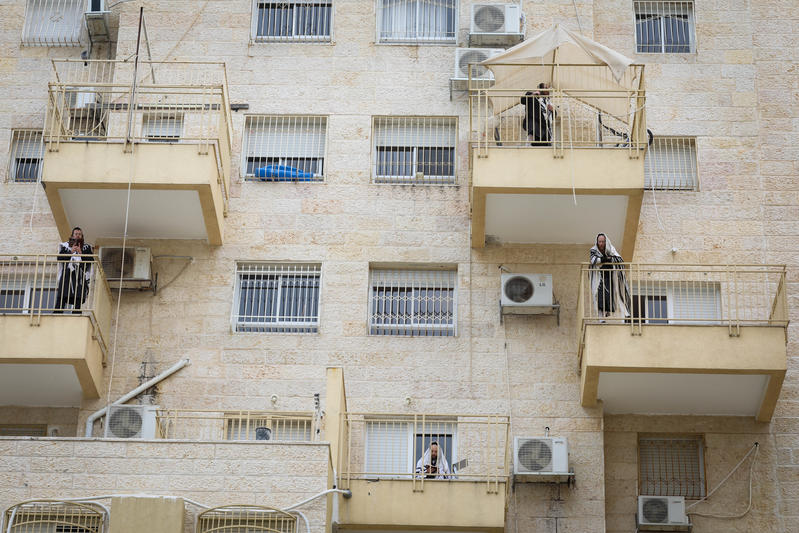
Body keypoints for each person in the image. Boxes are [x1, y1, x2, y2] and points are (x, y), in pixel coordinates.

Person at [589, 233, 630, 320]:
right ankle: (601, 318)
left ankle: (609, 312)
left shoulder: (611, 249)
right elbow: (593, 260)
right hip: (598, 277)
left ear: (606, 242)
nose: (601, 244)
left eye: (603, 242)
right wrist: (606, 259)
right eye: (599, 242)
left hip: (610, 277)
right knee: (599, 296)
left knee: (609, 296)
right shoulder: (593, 250)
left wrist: (609, 259)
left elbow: (619, 259)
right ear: (597, 242)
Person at [54, 227, 94, 313]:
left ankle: (76, 313)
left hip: (80, 274)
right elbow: (60, 258)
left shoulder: (87, 247)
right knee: (62, 295)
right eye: (76, 234)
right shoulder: (65, 246)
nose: (78, 236)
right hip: (67, 274)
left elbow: (90, 261)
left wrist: (81, 253)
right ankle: (57, 313)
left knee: (78, 295)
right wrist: (71, 252)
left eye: (80, 234)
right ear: (72, 235)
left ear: (82, 236)